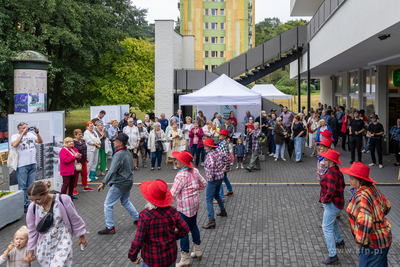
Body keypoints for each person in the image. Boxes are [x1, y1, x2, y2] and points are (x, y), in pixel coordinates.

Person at [341, 162, 392, 267]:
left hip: (372, 244)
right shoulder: (373, 188)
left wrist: (360, 241)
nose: (349, 180)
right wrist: (377, 216)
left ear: (360, 181)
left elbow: (365, 221)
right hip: (385, 238)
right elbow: (387, 206)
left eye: (352, 178)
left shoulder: (361, 196)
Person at [26, 181, 87, 266]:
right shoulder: (32, 207)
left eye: (38, 199)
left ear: (46, 193)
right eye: (31, 200)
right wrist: (30, 250)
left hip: (63, 238)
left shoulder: (63, 200)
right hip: (44, 243)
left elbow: (74, 218)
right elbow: (32, 230)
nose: (35, 202)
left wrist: (81, 235)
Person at [97, 133, 140, 235]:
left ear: (120, 143)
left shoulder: (118, 154)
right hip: (128, 181)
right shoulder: (127, 153)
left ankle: (110, 227)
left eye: (115, 141)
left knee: (107, 204)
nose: (113, 142)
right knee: (125, 201)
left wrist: (104, 182)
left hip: (120, 183)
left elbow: (112, 170)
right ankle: (139, 219)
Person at [170, 151, 207, 266]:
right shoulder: (195, 171)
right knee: (193, 226)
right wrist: (196, 192)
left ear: (182, 163)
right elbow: (204, 183)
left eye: (178, 160)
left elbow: (173, 194)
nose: (176, 161)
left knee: (183, 231)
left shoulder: (180, 175)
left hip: (184, 207)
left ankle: (185, 258)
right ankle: (198, 251)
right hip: (194, 204)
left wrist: (163, 204)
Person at [318, 149, 345, 265]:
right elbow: (342, 186)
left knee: (326, 228)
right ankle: (339, 241)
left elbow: (330, 191)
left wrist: (324, 200)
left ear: (332, 162)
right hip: (338, 203)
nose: (324, 160)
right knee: (332, 223)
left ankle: (333, 255)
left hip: (332, 204)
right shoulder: (337, 172)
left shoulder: (330, 173)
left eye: (326, 159)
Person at [11, 122, 43, 212]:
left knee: (30, 185)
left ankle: (29, 202)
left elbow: (40, 141)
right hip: (22, 165)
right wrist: (22, 133)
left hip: (32, 163)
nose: (26, 129)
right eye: (23, 128)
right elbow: (15, 144)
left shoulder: (31, 135)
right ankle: (23, 203)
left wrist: (37, 132)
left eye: (27, 127)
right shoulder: (14, 136)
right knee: (22, 186)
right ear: (19, 129)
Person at [202, 139, 229, 229]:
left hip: (213, 180)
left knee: (208, 199)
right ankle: (223, 210)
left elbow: (212, 165)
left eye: (205, 146)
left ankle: (211, 220)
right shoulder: (217, 152)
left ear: (209, 146)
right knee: (217, 195)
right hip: (220, 177)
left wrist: (212, 175)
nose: (204, 147)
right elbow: (226, 157)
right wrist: (223, 166)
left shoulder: (210, 155)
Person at [73, 129, 94, 194]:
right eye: (79, 134)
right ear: (75, 135)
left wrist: (86, 157)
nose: (81, 135)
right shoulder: (73, 142)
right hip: (77, 161)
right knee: (76, 176)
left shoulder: (83, 141)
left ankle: (86, 186)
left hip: (83, 160)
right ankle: (74, 188)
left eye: (81, 134)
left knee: (84, 174)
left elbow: (85, 149)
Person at [216, 129, 233, 202]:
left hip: (222, 164)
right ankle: (230, 190)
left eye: (220, 134)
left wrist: (224, 166)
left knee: (219, 180)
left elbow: (224, 155)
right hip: (225, 163)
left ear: (224, 136)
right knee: (225, 178)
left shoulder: (222, 144)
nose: (219, 135)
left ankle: (221, 198)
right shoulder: (224, 142)